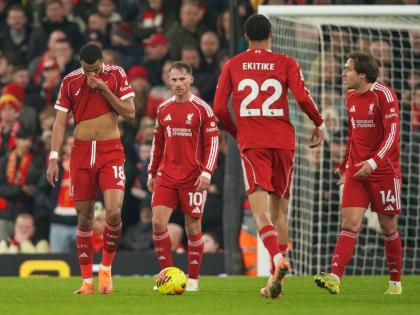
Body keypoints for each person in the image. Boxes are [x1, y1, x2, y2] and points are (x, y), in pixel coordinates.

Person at [213, 14, 325, 299]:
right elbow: (301, 97)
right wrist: (318, 122)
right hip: (284, 143)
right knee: (280, 213)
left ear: (245, 36)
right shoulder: (287, 62)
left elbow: (219, 109)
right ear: (271, 33)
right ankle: (278, 284)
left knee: (260, 212)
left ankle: (277, 260)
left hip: (254, 143)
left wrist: (238, 132)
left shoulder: (233, 65)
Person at [47, 43, 135, 294]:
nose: (90, 75)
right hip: (82, 153)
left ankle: (105, 269)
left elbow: (130, 112)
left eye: (95, 69)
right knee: (84, 218)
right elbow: (60, 121)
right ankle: (87, 281)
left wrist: (105, 89)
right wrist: (53, 157)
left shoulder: (116, 74)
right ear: (80, 64)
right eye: (86, 70)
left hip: (111, 151)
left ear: (102, 61)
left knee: (114, 213)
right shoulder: (70, 81)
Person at [314, 52, 403, 295]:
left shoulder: (384, 95)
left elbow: (392, 135)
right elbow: (354, 136)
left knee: (388, 227)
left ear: (362, 74)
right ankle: (335, 277)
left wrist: (373, 163)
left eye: (348, 69)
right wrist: (344, 164)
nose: (343, 73)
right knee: (350, 223)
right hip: (356, 170)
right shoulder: (350, 96)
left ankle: (395, 282)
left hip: (383, 171)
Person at [147, 61, 219, 292]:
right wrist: (151, 171)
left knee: (192, 227)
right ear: (168, 81)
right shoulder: (163, 109)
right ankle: (167, 276)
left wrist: (207, 173)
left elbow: (213, 144)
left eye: (182, 79)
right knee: (158, 223)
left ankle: (194, 280)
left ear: (191, 79)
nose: (178, 84)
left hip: (194, 177)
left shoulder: (202, 109)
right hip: (166, 175)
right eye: (174, 79)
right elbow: (157, 144)